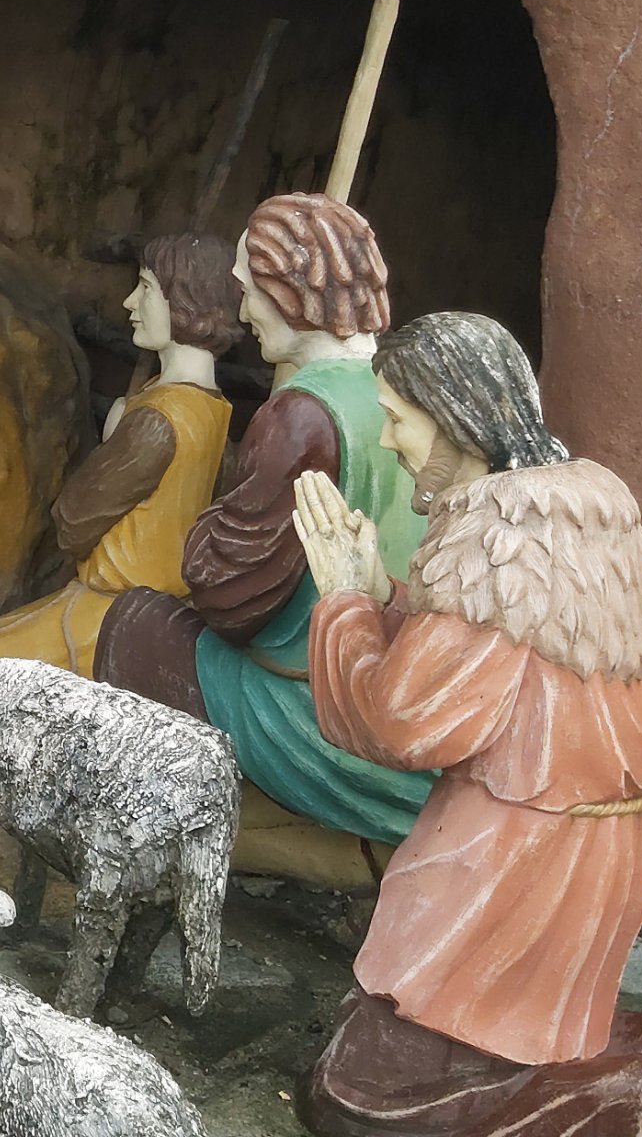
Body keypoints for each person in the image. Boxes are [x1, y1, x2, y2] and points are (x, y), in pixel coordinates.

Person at [288, 312, 642, 1137]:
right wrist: (387, 593)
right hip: (605, 837)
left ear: (455, 419)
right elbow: (498, 662)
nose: (388, 442)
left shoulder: (493, 536)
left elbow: (403, 722)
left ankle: (630, 1109)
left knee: (364, 1087)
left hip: (515, 853)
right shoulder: (581, 504)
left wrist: (344, 601)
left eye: (398, 418)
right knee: (520, 1044)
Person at [96, 194, 428, 887]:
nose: (244, 312)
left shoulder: (304, 413)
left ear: (289, 293)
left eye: (250, 291)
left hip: (316, 703)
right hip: (406, 690)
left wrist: (203, 527)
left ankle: (172, 842)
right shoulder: (408, 392)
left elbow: (233, 599)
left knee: (136, 625)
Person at [0, 232, 238, 676]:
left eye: (146, 289)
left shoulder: (158, 421)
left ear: (185, 303)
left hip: (110, 613)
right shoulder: (216, 409)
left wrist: (115, 435)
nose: (130, 303)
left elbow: (74, 519)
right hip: (158, 608)